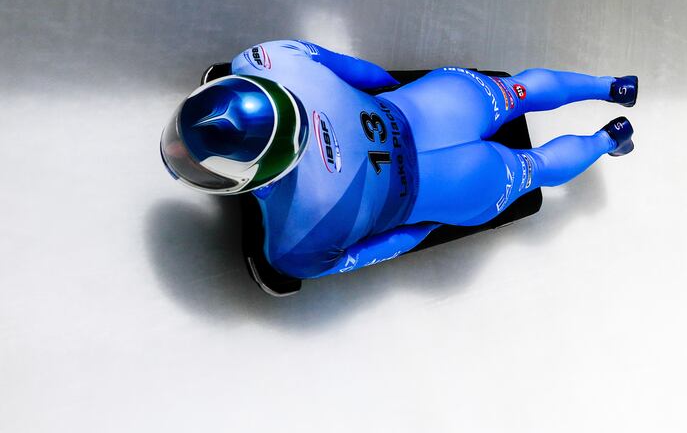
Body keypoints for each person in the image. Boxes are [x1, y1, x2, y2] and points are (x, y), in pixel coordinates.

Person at [160, 40, 636, 280]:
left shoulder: (292, 248)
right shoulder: (265, 59)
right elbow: (367, 74)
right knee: (520, 91)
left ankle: (607, 140)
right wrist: (388, 98)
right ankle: (612, 87)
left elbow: (397, 243)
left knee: (540, 169)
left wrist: (430, 225)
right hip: (440, 103)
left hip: (456, 185)